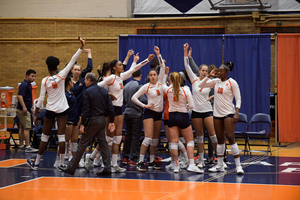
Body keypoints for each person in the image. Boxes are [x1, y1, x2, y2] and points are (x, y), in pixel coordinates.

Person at [27, 35, 86, 170]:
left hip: (50, 109)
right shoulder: (62, 75)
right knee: (61, 137)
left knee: (44, 137)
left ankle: (36, 163)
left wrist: (36, 114)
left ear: (48, 67)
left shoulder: (44, 80)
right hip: (63, 109)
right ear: (57, 66)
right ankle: (61, 164)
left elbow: (40, 100)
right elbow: (72, 61)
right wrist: (81, 47)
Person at [96, 53, 155, 172]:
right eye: (119, 65)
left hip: (120, 109)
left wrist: (147, 60)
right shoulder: (111, 78)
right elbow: (97, 86)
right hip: (111, 110)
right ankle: (94, 158)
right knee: (109, 138)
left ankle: (114, 165)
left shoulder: (121, 77)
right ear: (114, 68)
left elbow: (134, 68)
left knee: (118, 139)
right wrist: (107, 95)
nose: (122, 66)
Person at [59, 72, 115, 175]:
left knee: (82, 144)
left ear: (89, 80)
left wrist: (83, 124)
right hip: (103, 120)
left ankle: (71, 168)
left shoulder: (87, 92)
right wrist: (111, 121)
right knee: (103, 144)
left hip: (93, 121)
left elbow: (86, 110)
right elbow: (110, 108)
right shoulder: (104, 91)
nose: (84, 82)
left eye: (85, 80)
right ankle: (107, 167)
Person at [198, 61, 244, 174]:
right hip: (217, 114)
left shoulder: (232, 82)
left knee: (230, 136)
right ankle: (219, 164)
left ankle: (238, 166)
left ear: (227, 72)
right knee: (220, 139)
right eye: (218, 71)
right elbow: (200, 85)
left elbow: (238, 98)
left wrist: (237, 112)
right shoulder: (215, 82)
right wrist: (209, 75)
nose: (219, 73)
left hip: (229, 113)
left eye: (221, 71)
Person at [183, 43, 218, 168]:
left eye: (206, 71)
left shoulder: (210, 81)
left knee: (213, 135)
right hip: (196, 112)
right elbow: (187, 65)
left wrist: (213, 97)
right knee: (199, 137)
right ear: (199, 71)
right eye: (202, 71)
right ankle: (202, 160)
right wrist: (185, 52)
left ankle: (219, 159)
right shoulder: (194, 79)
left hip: (208, 111)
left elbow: (221, 89)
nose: (204, 72)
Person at [132, 46, 165, 171]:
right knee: (148, 137)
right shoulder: (146, 86)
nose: (153, 77)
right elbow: (134, 98)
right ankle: (141, 161)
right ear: (149, 76)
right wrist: (144, 105)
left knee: (155, 140)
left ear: (157, 76)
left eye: (154, 75)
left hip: (158, 114)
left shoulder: (161, 84)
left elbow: (162, 66)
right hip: (149, 113)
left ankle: (151, 161)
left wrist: (158, 54)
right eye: (151, 75)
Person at [162, 71, 203, 173]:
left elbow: (161, 82)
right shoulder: (186, 89)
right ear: (180, 80)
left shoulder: (167, 90)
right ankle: (191, 164)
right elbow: (192, 106)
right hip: (183, 116)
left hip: (172, 116)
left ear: (170, 80)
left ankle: (175, 166)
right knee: (189, 141)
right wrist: (186, 107)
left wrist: (164, 71)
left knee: (174, 142)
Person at [53, 76, 80, 168]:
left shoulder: (71, 93)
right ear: (69, 82)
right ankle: (58, 161)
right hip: (68, 120)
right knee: (64, 141)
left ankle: (74, 161)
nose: (73, 83)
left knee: (74, 140)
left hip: (75, 119)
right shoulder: (64, 94)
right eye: (72, 81)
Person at [122, 69, 147, 166]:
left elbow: (123, 100)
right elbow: (142, 99)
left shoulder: (126, 86)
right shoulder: (139, 86)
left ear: (132, 76)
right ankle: (134, 158)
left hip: (127, 112)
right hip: (136, 113)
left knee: (128, 135)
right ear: (140, 76)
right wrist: (150, 102)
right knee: (136, 136)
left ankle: (125, 157)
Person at [16, 69, 38, 153]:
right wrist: (24, 107)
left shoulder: (28, 85)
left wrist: (30, 108)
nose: (34, 78)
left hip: (24, 109)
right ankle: (28, 146)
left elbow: (27, 98)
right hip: (22, 110)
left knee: (21, 128)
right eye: (32, 76)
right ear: (27, 76)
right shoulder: (24, 84)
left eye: (35, 76)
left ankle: (21, 145)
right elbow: (20, 96)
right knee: (27, 128)